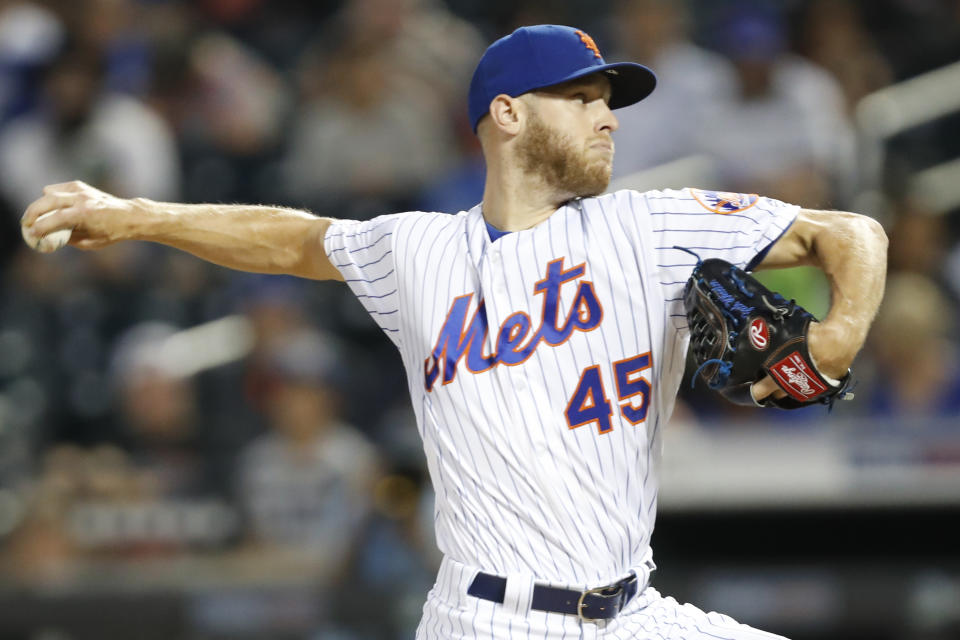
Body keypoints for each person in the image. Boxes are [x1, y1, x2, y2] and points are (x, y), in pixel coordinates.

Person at [21, 24, 887, 640]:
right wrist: (135, 213)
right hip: (485, 618)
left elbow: (853, 233)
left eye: (607, 101)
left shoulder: (650, 227)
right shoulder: (416, 250)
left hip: (633, 613)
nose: (607, 116)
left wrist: (837, 339)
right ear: (507, 114)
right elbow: (287, 238)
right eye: (581, 98)